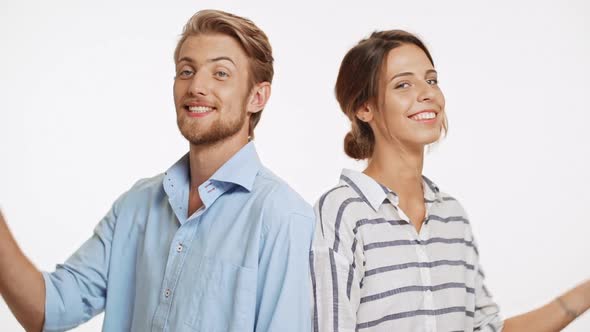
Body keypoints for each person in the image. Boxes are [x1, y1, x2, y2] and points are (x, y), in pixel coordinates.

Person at [0, 9, 314, 332]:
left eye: (220, 74)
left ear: (257, 97)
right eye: (186, 71)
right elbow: (48, 310)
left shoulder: (284, 218)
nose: (197, 87)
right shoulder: (137, 205)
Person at [309, 29, 590, 331]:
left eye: (431, 80)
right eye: (403, 84)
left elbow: (486, 329)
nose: (427, 93)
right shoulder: (342, 213)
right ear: (365, 108)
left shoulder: (452, 217)